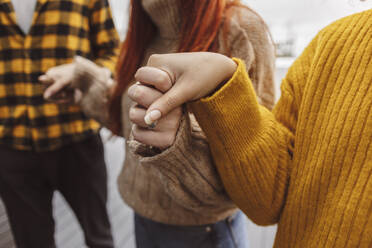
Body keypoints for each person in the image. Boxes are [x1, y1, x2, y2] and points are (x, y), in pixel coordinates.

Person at [126, 8, 372, 248]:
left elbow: (260, 196)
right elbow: (278, 187)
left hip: (204, 230)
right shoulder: (330, 42)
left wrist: (218, 97)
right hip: (139, 213)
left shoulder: (242, 27)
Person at [42, 0, 276, 247]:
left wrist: (178, 142)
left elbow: (255, 161)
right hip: (144, 216)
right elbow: (130, 122)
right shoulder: (147, 30)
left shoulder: (240, 28)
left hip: (204, 230)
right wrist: (84, 79)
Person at [0, 0, 119, 247]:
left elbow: (114, 55)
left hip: (78, 139)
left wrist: (81, 73)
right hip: (11, 145)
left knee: (100, 238)